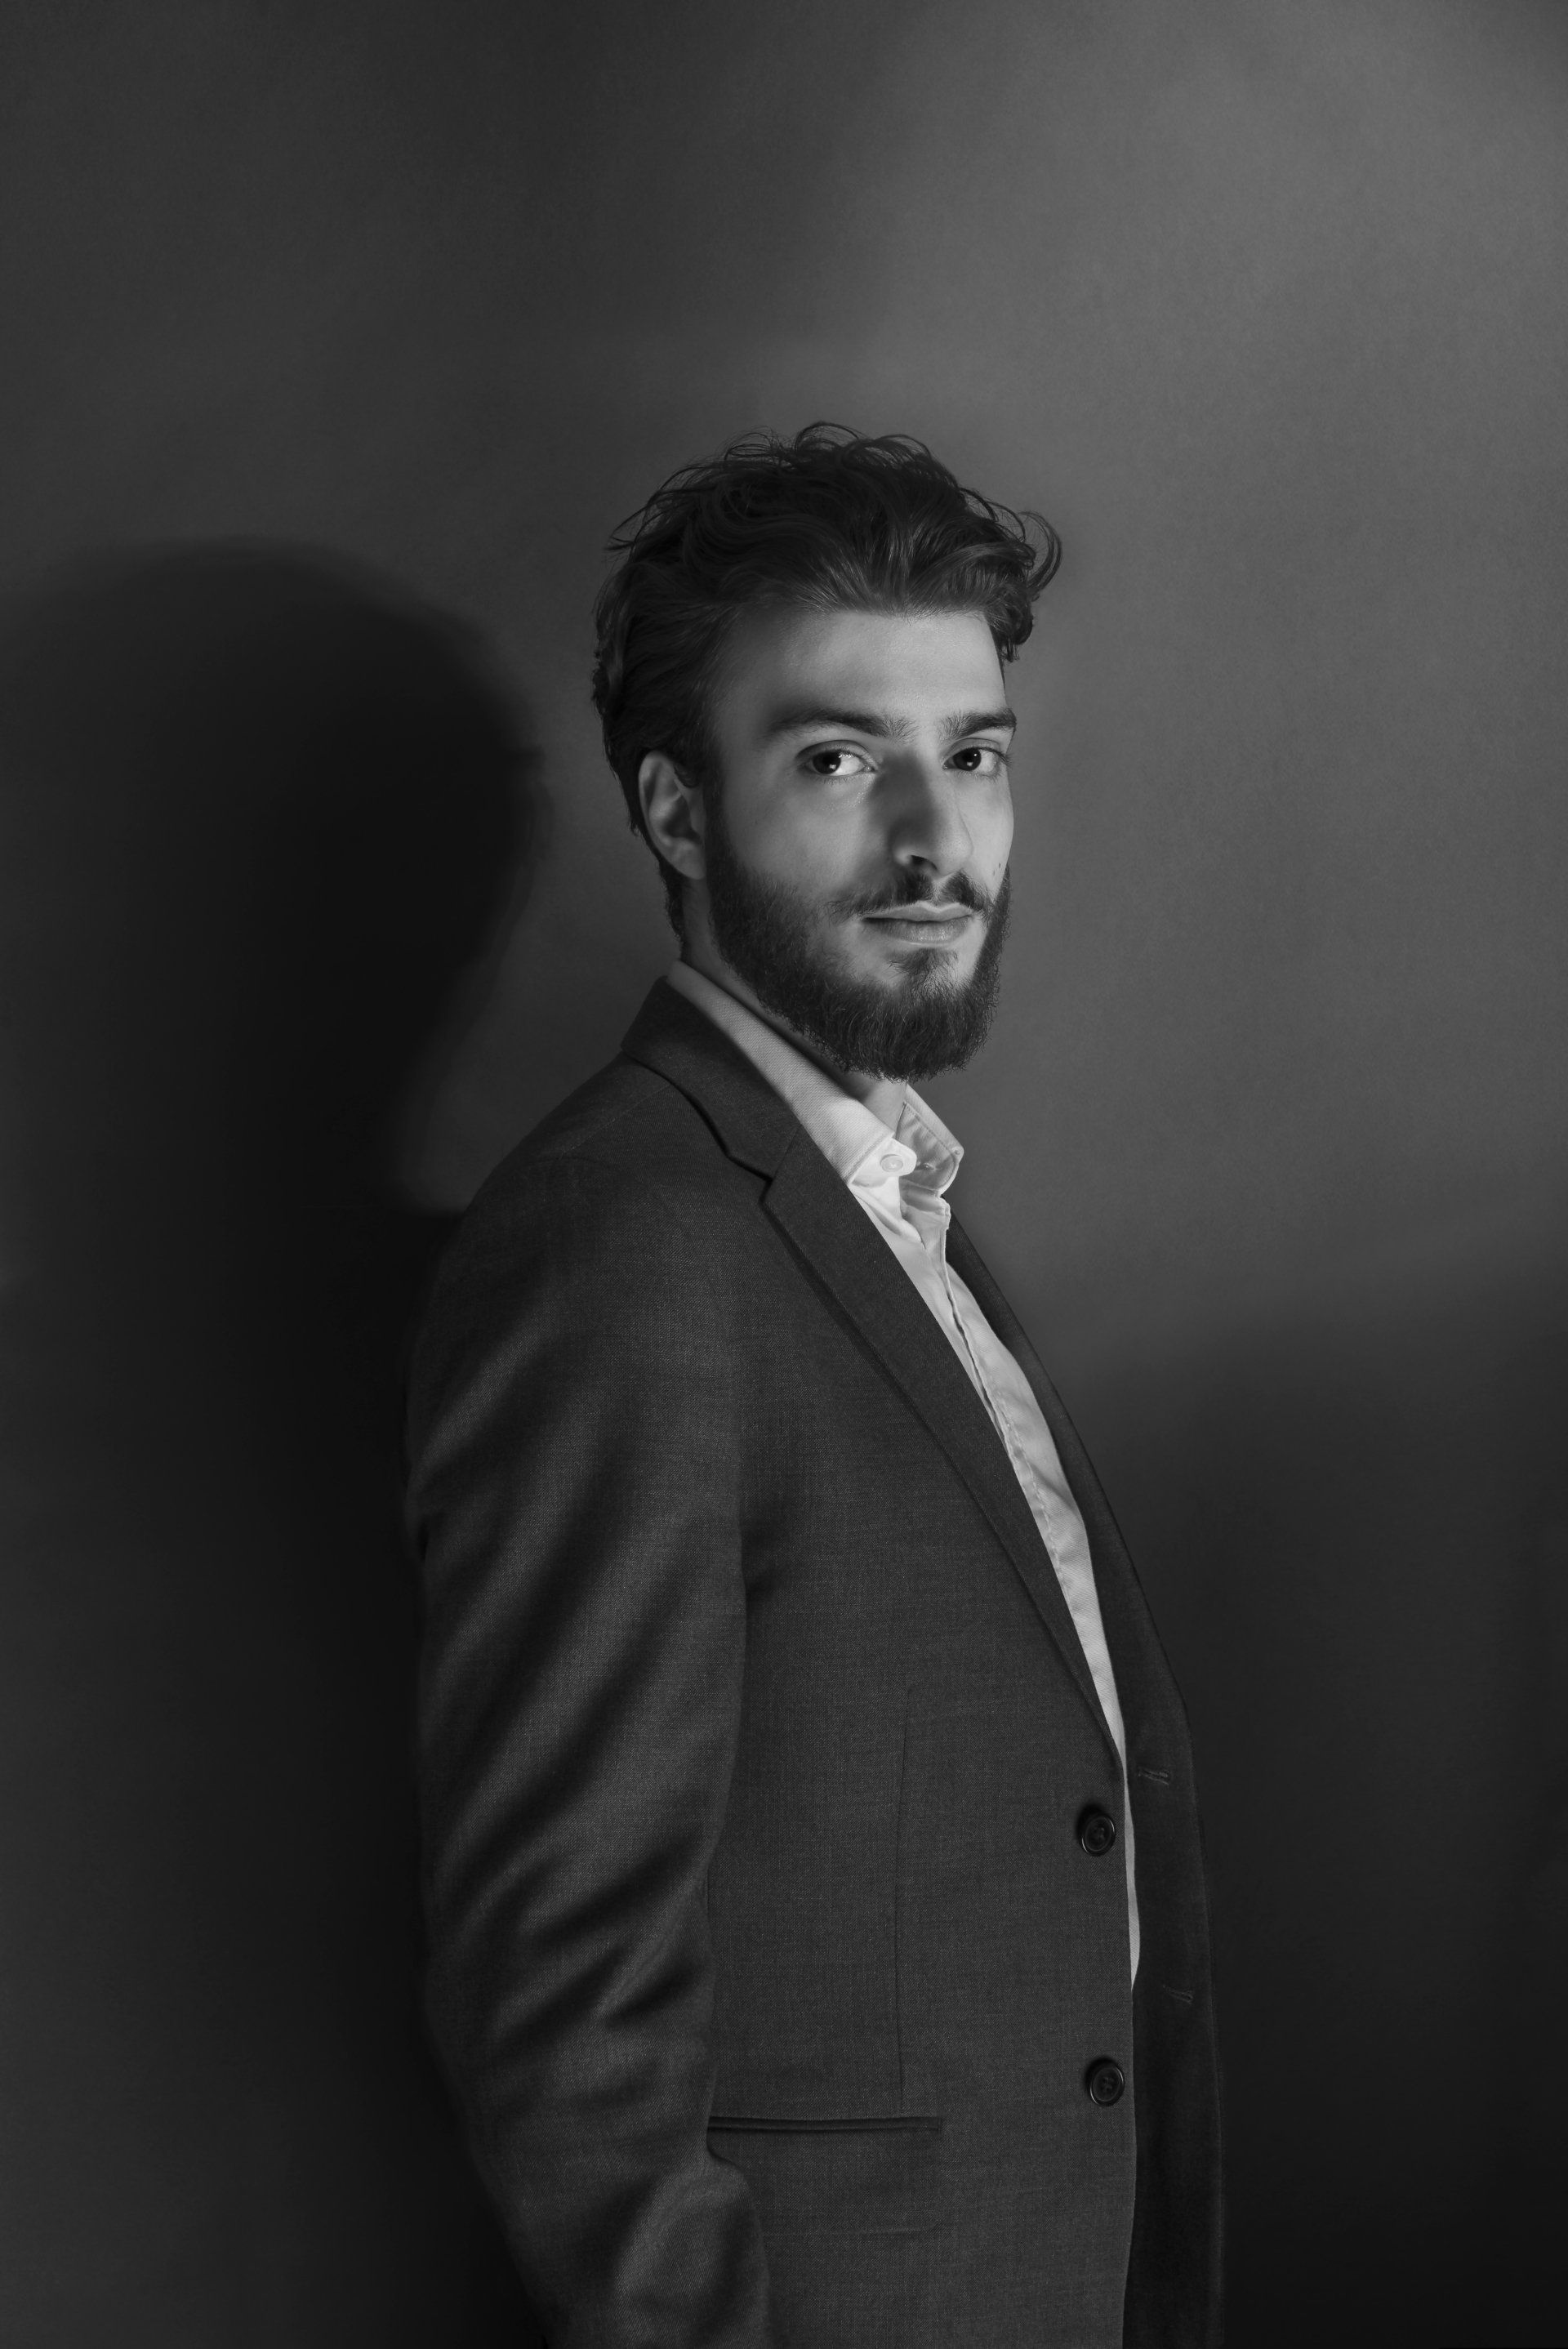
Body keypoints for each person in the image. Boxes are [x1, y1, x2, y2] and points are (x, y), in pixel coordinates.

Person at [404, 425, 1223, 2347]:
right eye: (842, 759)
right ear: (678, 812)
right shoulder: (625, 1250)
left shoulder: (895, 1212)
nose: (936, 841)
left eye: (977, 754)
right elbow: (566, 2023)